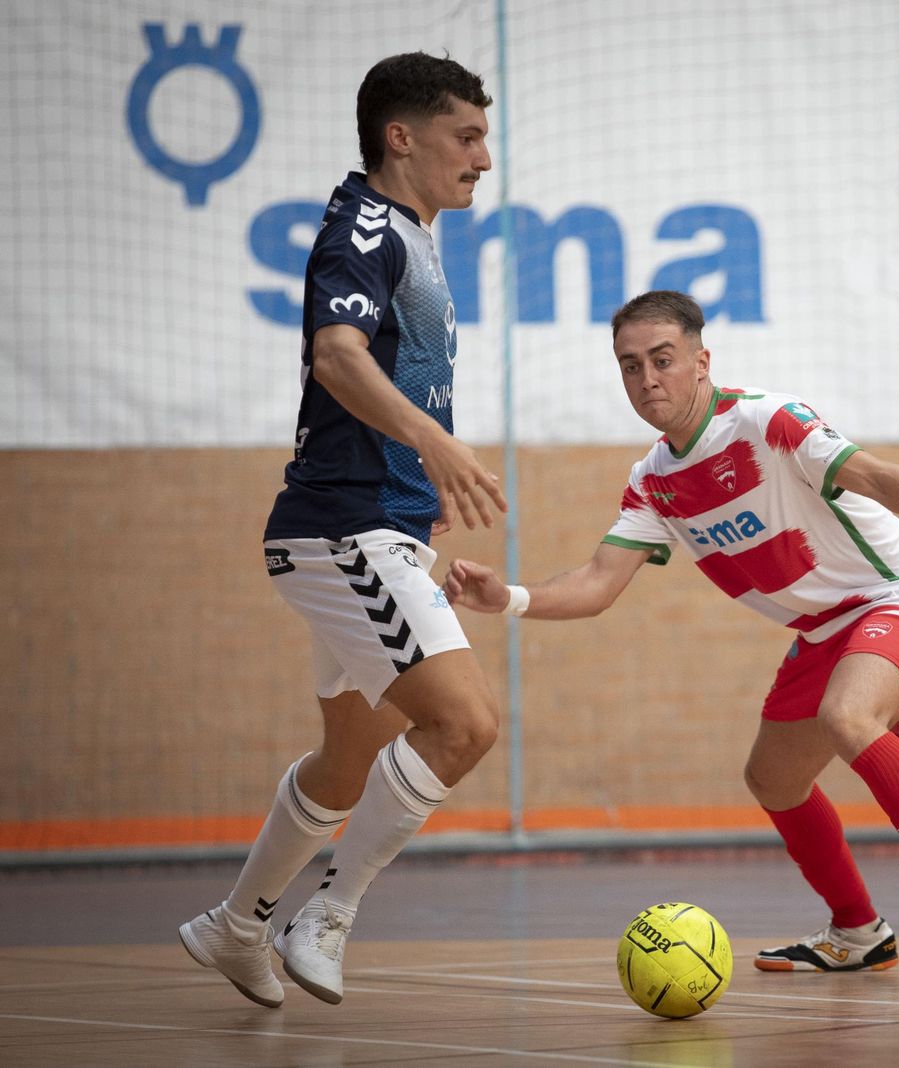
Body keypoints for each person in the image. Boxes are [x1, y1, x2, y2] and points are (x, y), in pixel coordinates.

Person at [447, 290, 899, 974]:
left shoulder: (766, 421)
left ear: (701, 361)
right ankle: (858, 933)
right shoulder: (654, 480)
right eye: (629, 365)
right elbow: (599, 583)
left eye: (662, 359)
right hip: (823, 631)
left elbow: (880, 477)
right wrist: (508, 597)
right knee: (773, 779)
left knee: (848, 715)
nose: (647, 379)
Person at [179, 52, 507, 1008]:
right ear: (400, 137)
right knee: (465, 724)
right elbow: (335, 355)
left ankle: (233, 929)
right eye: (468, 136)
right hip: (340, 531)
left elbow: (389, 377)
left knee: (347, 759)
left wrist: (421, 483)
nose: (484, 158)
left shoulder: (415, 231)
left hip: (377, 527)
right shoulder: (365, 224)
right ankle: (324, 912)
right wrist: (433, 445)